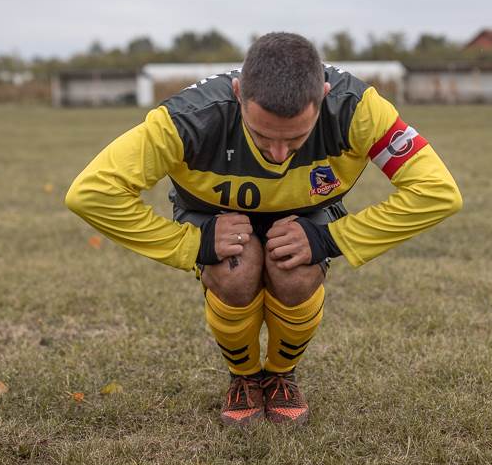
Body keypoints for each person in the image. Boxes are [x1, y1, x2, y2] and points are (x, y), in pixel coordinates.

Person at [65, 32, 462, 427]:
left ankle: (279, 375)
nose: (277, 155)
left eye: (296, 138)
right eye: (261, 135)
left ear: (323, 95)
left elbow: (437, 192)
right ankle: (244, 377)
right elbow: (92, 192)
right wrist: (192, 244)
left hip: (308, 214)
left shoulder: (358, 108)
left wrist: (329, 238)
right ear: (238, 93)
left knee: (295, 271)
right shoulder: (186, 119)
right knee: (234, 271)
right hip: (213, 216)